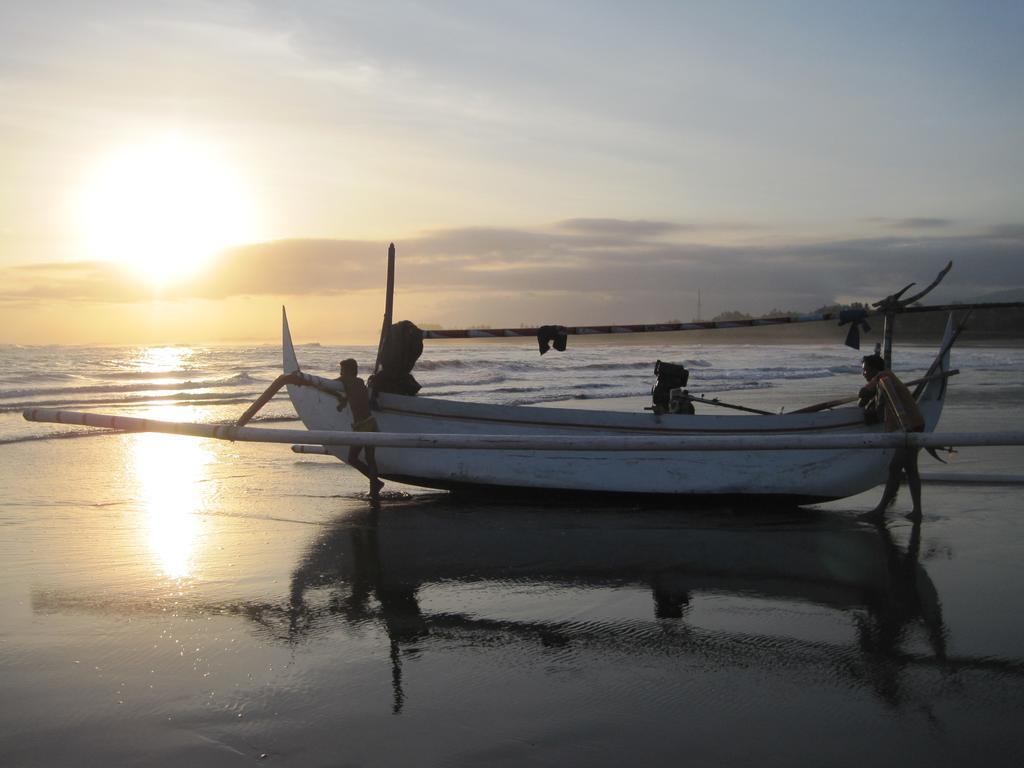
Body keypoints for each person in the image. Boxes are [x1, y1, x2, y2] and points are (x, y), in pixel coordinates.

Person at [858, 353, 925, 520]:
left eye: (865, 370)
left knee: (895, 467)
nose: (864, 373)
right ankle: (917, 511)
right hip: (914, 425)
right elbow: (879, 406)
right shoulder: (886, 381)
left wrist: (865, 396)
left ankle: (880, 510)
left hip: (909, 428)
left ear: (874, 369)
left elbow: (864, 392)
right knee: (910, 470)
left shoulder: (884, 378)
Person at [336, 358, 384, 499]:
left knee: (352, 457)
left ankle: (375, 483)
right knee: (370, 458)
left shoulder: (347, 381)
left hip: (363, 426)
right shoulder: (358, 382)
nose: (341, 373)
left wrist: (308, 382)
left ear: (349, 371)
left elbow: (332, 383)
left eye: (342, 370)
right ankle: (375, 486)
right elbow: (353, 396)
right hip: (370, 423)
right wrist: (343, 403)